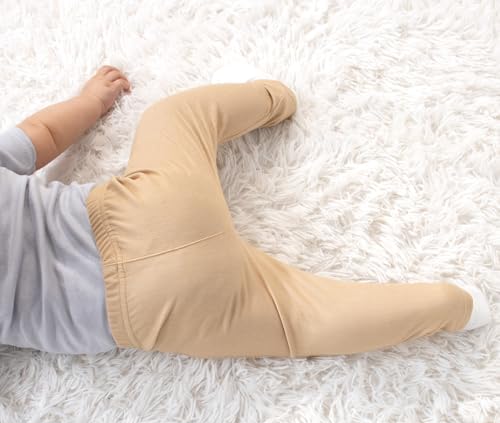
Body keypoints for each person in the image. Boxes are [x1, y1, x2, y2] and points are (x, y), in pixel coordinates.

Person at [0, 63, 492, 357]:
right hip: (141, 211)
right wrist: (93, 100)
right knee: (176, 116)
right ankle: (273, 98)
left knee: (301, 320)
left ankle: (457, 306)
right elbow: (45, 134)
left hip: (154, 312)